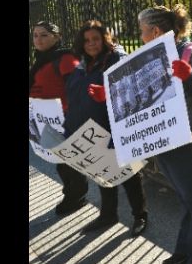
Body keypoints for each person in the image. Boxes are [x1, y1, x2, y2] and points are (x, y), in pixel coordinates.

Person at [137, 4, 192, 264]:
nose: (142, 36)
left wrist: (189, 76)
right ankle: (185, 250)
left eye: (143, 31)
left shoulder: (191, 55)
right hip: (166, 141)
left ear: (156, 31)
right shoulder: (152, 57)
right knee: (187, 198)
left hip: (190, 141)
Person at [64, 20, 149, 237]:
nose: (91, 44)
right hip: (91, 131)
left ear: (105, 39)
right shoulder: (81, 65)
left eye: (96, 39)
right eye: (86, 40)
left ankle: (140, 215)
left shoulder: (117, 60)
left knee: (129, 175)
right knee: (102, 172)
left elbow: (133, 92)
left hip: (117, 129)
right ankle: (108, 214)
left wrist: (108, 94)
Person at [29, 20, 88, 216]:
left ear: (57, 37)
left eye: (44, 35)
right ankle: (73, 192)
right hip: (45, 120)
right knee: (59, 160)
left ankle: (76, 194)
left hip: (63, 119)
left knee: (68, 162)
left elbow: (78, 88)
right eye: (35, 35)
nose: (38, 39)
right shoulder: (41, 59)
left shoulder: (64, 58)